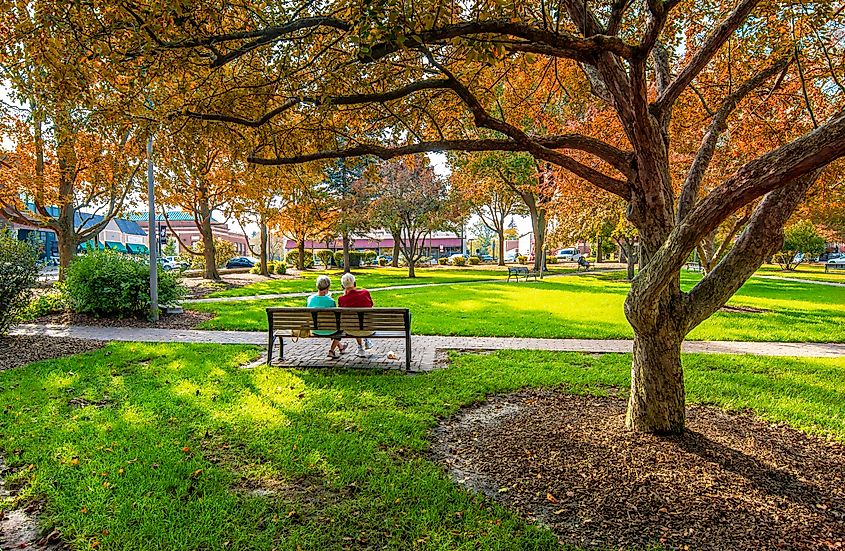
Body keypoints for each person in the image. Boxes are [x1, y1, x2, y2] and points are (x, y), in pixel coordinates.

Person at [307, 275, 346, 359]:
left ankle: (341, 347)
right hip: (329, 330)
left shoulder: (310, 299)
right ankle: (331, 350)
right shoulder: (331, 301)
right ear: (328, 287)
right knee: (340, 329)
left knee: (331, 326)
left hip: (315, 329)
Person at [338, 272, 374, 356]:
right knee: (361, 320)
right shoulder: (365, 293)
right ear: (354, 283)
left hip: (350, 330)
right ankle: (366, 340)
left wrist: (345, 294)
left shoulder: (341, 299)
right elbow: (371, 305)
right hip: (368, 329)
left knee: (354, 322)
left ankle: (360, 347)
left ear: (343, 286)